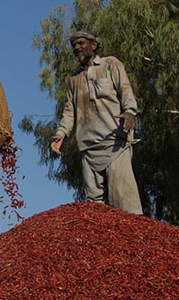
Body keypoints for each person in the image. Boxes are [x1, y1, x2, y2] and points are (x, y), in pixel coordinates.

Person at [50, 30, 143, 214]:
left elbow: (125, 90)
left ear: (94, 45)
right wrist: (60, 134)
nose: (77, 48)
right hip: (88, 147)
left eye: (81, 43)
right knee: (95, 211)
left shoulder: (110, 64)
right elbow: (70, 112)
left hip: (114, 142)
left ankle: (137, 241)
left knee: (125, 202)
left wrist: (130, 112)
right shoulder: (74, 79)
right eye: (74, 45)